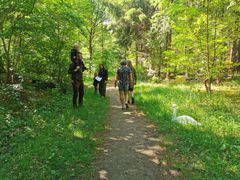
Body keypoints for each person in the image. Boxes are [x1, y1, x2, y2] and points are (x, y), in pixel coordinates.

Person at [68, 44, 87, 108]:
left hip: (81, 80)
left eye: (81, 56)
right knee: (75, 93)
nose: (81, 57)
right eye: (80, 56)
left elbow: (81, 70)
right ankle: (74, 105)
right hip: (75, 80)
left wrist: (84, 68)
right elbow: (69, 72)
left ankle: (80, 103)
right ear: (77, 56)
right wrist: (75, 69)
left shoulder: (81, 64)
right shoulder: (73, 64)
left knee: (82, 93)